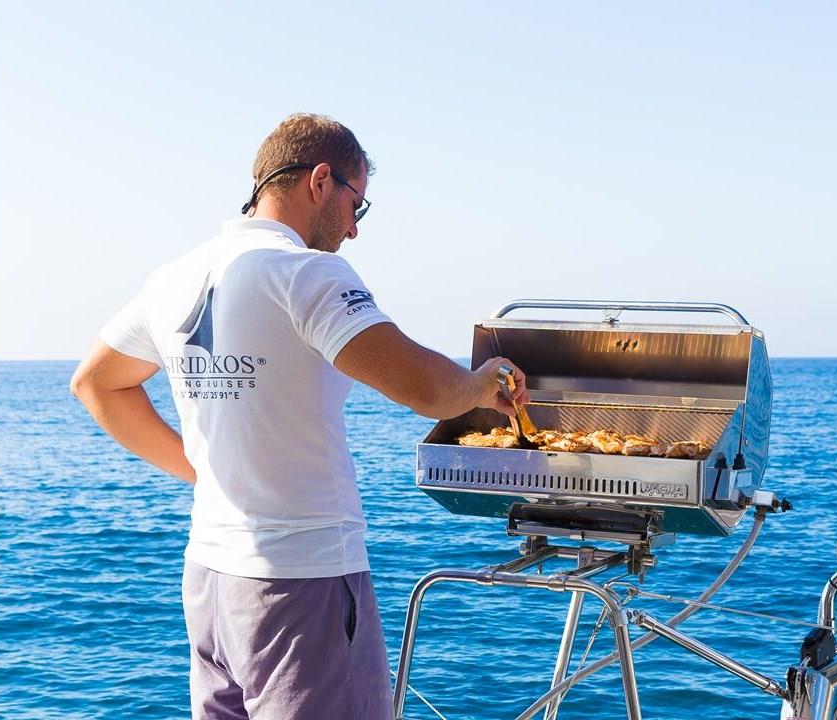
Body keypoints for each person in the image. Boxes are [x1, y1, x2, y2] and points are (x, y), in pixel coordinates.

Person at [69, 112, 527, 719]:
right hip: (302, 582)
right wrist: (481, 383)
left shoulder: (173, 277)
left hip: (211, 582)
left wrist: (203, 474)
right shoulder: (305, 272)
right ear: (320, 181)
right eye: (357, 205)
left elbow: (96, 384)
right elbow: (425, 388)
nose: (353, 230)